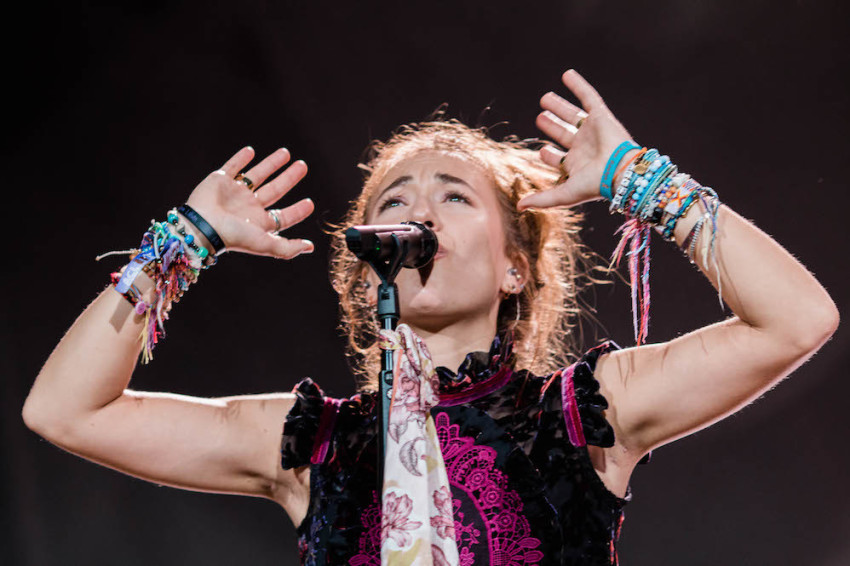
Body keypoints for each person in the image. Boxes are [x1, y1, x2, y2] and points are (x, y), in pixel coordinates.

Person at [21, 70, 838, 565]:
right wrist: (184, 245)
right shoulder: (319, 446)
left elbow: (796, 319)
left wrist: (642, 180)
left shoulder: (583, 414)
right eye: (395, 202)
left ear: (514, 265)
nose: (419, 212)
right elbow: (64, 410)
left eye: (453, 196)